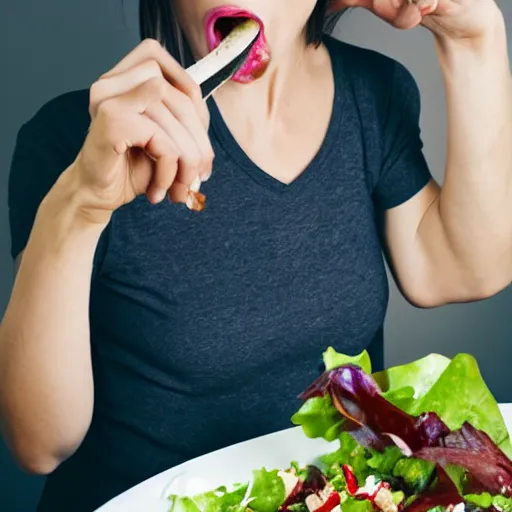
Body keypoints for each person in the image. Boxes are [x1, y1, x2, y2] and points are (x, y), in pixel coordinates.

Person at [1, 0, 510, 510]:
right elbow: (39, 445)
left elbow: (456, 271)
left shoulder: (371, 92)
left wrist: (475, 40)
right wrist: (80, 204)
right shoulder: (77, 141)